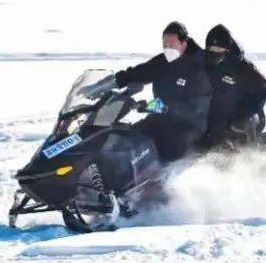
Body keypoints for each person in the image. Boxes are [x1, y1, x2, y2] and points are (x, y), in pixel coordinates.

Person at [84, 21, 212, 162]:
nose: (167, 48)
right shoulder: (163, 62)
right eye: (165, 45)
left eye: (172, 44)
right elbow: (138, 73)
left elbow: (197, 112)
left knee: (161, 148)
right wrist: (107, 84)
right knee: (128, 137)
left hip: (188, 128)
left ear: (184, 44)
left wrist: (160, 106)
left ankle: (161, 181)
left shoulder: (199, 69)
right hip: (162, 119)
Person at [201, 24, 266, 151]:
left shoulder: (240, 66)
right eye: (211, 49)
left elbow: (262, 89)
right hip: (218, 116)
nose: (214, 53)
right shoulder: (205, 64)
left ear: (227, 49)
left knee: (242, 128)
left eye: (218, 49)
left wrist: (244, 111)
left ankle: (254, 159)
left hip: (246, 116)